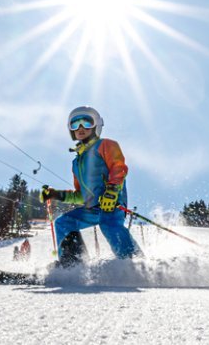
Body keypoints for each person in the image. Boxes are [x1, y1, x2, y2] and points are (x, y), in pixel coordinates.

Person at [41, 106, 140, 267]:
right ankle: (73, 265)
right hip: (93, 208)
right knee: (64, 222)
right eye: (75, 124)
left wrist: (112, 191)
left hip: (112, 204)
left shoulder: (106, 145)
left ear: (96, 126)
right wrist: (57, 195)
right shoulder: (76, 162)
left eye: (86, 123)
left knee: (108, 224)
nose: (80, 128)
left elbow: (118, 167)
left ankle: (133, 263)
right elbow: (81, 195)